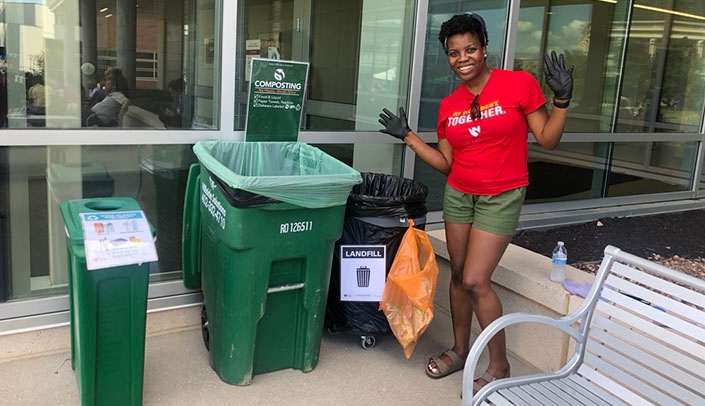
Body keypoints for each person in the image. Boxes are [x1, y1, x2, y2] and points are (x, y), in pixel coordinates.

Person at [378, 13, 573, 394]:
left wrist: (561, 100)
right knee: (457, 275)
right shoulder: (449, 103)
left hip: (501, 195)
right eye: (454, 52)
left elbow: (548, 139)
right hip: (459, 194)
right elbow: (446, 163)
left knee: (474, 280)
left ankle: (499, 365)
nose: (462, 58)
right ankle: (462, 349)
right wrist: (409, 137)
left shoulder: (517, 84)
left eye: (470, 49)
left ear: (484, 49)